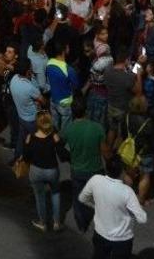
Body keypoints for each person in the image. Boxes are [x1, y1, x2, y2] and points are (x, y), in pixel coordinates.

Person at [78, 154, 147, 259]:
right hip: (122, 240)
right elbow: (142, 218)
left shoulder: (95, 180)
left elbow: (82, 198)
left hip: (100, 234)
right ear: (122, 172)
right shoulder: (127, 191)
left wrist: (95, 206)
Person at [63, 97, 108, 232]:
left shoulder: (69, 129)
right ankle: (101, 223)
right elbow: (105, 152)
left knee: (78, 198)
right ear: (86, 111)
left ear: (72, 112)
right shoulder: (97, 128)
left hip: (77, 170)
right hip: (95, 171)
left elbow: (61, 144)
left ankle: (82, 224)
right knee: (98, 199)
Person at [23, 110, 68, 232]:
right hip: (52, 171)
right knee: (55, 194)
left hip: (36, 171)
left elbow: (26, 158)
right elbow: (63, 156)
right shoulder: (54, 136)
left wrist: (26, 145)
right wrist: (59, 141)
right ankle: (57, 223)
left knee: (40, 197)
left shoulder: (31, 137)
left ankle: (42, 223)